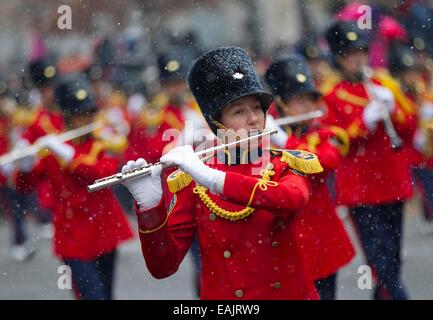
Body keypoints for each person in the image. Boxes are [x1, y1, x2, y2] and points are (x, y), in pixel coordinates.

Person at [121, 46, 323, 300]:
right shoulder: (191, 181)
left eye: (257, 108)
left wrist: (215, 179)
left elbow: (294, 198)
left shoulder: (284, 163)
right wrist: (150, 207)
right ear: (217, 123)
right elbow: (164, 266)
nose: (254, 119)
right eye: (239, 111)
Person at [14, 74, 134, 299]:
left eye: (90, 113)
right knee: (90, 295)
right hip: (71, 236)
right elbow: (24, 186)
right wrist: (25, 164)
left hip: (102, 229)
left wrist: (68, 154)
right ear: (68, 117)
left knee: (106, 294)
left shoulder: (100, 142)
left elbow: (101, 174)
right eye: (81, 115)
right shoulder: (55, 146)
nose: (87, 120)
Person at [323, 21, 415, 300]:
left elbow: (409, 128)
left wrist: (395, 108)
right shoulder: (332, 95)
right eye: (351, 53)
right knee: (380, 256)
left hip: (392, 182)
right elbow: (335, 142)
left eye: (362, 51)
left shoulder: (383, 84)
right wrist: (363, 124)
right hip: (361, 188)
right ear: (340, 58)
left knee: (394, 256)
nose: (358, 58)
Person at [264, 54, 355, 299]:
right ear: (281, 105)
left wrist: (284, 141)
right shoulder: (264, 141)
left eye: (310, 100)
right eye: (299, 100)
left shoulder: (325, 134)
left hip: (321, 238)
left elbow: (323, 162)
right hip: (287, 240)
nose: (307, 107)